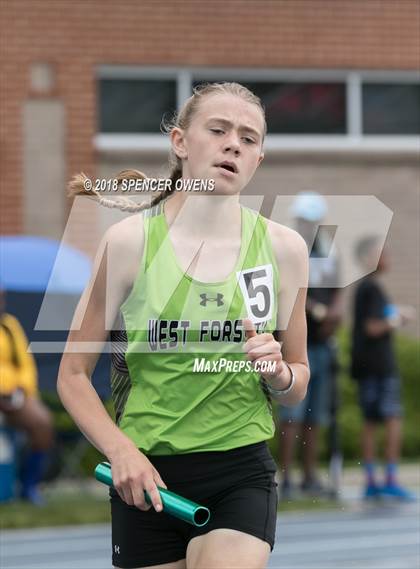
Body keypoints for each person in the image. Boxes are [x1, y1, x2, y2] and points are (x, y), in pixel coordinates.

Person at [58, 82, 310, 569]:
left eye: (249, 138)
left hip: (240, 470)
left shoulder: (284, 249)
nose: (233, 143)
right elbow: (72, 376)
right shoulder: (129, 243)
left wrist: (279, 375)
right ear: (180, 142)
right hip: (146, 475)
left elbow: (297, 379)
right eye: (218, 130)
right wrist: (122, 452)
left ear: (257, 160)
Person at [277, 192, 342, 499]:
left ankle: (310, 475)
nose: (307, 225)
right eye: (303, 219)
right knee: (292, 414)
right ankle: (286, 477)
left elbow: (339, 287)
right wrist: (316, 308)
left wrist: (335, 312)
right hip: (294, 342)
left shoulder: (328, 250)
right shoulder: (288, 247)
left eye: (312, 220)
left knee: (315, 415)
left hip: (322, 343)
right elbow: (285, 292)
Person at [351, 236, 415, 502]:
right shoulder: (370, 289)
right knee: (391, 419)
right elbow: (372, 327)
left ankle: (371, 481)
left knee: (371, 421)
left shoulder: (366, 289)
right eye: (381, 253)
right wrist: (397, 319)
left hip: (368, 367)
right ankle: (388, 479)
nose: (386, 256)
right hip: (379, 367)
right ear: (369, 259)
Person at [0, 290, 54, 505]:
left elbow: (25, 364)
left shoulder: (9, 324)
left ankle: (28, 484)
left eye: (2, 297)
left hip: (13, 397)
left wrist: (22, 391)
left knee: (43, 421)